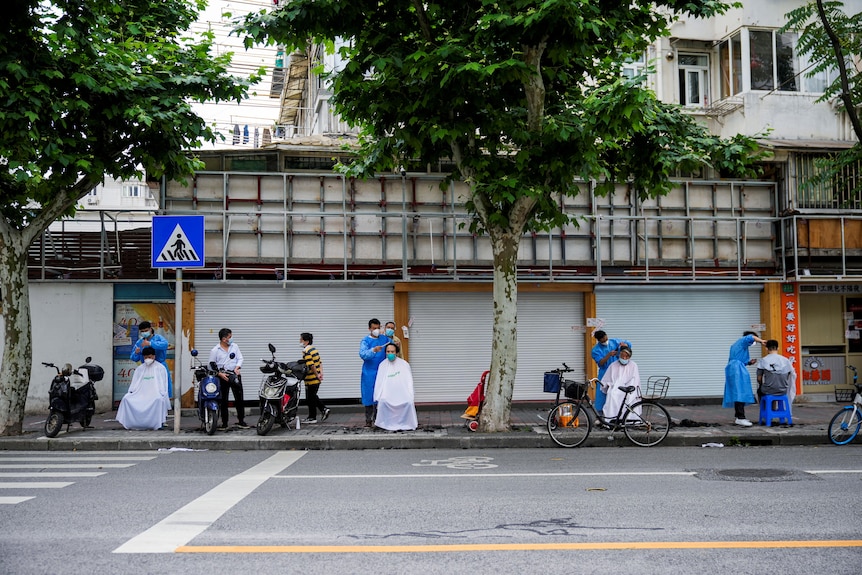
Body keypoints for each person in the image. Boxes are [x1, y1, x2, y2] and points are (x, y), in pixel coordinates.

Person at [116, 347, 171, 430]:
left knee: (158, 400)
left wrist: (162, 393)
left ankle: (157, 423)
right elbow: (134, 383)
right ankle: (132, 422)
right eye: (145, 357)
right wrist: (131, 392)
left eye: (149, 357)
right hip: (140, 393)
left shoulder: (160, 368)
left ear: (154, 356)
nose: (147, 359)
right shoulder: (140, 369)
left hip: (155, 393)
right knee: (126, 399)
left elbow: (163, 383)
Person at [724, 330, 767, 426]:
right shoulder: (743, 341)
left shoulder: (738, 345)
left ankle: (739, 416)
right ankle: (740, 417)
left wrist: (748, 363)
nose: (754, 343)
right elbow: (751, 337)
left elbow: (739, 360)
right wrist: (761, 341)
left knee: (738, 392)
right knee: (740, 392)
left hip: (735, 368)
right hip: (737, 370)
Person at [208, 328, 249, 429]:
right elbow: (211, 365)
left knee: (239, 398)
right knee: (223, 400)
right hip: (222, 376)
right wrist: (219, 374)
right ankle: (224, 422)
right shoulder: (215, 350)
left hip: (234, 374)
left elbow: (240, 358)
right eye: (229, 337)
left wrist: (237, 367)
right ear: (223, 339)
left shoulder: (235, 346)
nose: (231, 339)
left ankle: (241, 420)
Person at [374, 342, 418, 431]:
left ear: (396, 352)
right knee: (383, 401)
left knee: (408, 402)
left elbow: (409, 381)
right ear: (385, 352)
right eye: (388, 352)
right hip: (388, 393)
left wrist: (410, 394)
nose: (390, 354)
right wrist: (378, 396)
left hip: (401, 393)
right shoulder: (382, 365)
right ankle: (385, 424)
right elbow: (379, 382)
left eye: (392, 352)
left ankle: (406, 423)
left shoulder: (404, 364)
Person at [358, 318, 391, 427]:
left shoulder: (384, 339)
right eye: (374, 328)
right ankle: (368, 420)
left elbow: (391, 348)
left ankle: (379, 420)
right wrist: (373, 350)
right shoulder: (365, 341)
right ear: (369, 329)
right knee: (369, 395)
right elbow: (363, 354)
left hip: (382, 371)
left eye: (378, 328)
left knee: (381, 395)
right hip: (369, 372)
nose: (376, 330)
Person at [591, 330, 632, 412]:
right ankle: (601, 415)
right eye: (603, 339)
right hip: (605, 373)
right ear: (598, 340)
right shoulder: (595, 350)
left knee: (618, 392)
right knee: (602, 394)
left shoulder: (615, 341)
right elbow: (601, 363)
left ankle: (618, 413)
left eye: (605, 337)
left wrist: (625, 345)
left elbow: (628, 344)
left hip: (618, 372)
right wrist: (608, 355)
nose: (605, 340)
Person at [130, 321, 172, 399]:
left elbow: (165, 345)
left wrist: (150, 344)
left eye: (146, 330)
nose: (144, 333)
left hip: (159, 367)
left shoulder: (158, 338)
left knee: (162, 388)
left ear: (150, 329)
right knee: (147, 388)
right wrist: (136, 353)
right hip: (146, 369)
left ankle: (162, 407)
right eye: (142, 331)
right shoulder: (139, 343)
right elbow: (134, 358)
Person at [599, 345, 641, 421]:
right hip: (616, 387)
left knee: (630, 397)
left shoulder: (633, 365)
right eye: (622, 356)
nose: (624, 358)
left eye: (626, 356)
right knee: (612, 394)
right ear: (619, 355)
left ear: (629, 357)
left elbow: (635, 380)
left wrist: (628, 387)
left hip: (629, 388)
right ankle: (612, 418)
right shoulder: (613, 365)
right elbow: (607, 379)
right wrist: (608, 385)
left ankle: (628, 419)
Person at [756, 339, 797, 408]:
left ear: (766, 349)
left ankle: (767, 411)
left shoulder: (763, 360)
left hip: (768, 390)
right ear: (778, 348)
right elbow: (791, 375)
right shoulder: (786, 360)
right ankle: (775, 410)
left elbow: (759, 378)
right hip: (783, 390)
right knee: (773, 387)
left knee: (761, 391)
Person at [300, 332, 330, 424]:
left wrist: (317, 375)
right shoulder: (314, 349)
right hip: (316, 378)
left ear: (306, 341)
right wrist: (321, 373)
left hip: (311, 379)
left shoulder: (306, 351)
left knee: (310, 398)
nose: (300, 341)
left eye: (301, 339)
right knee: (312, 397)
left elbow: (311, 365)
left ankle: (315, 415)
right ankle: (319, 412)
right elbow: (320, 362)